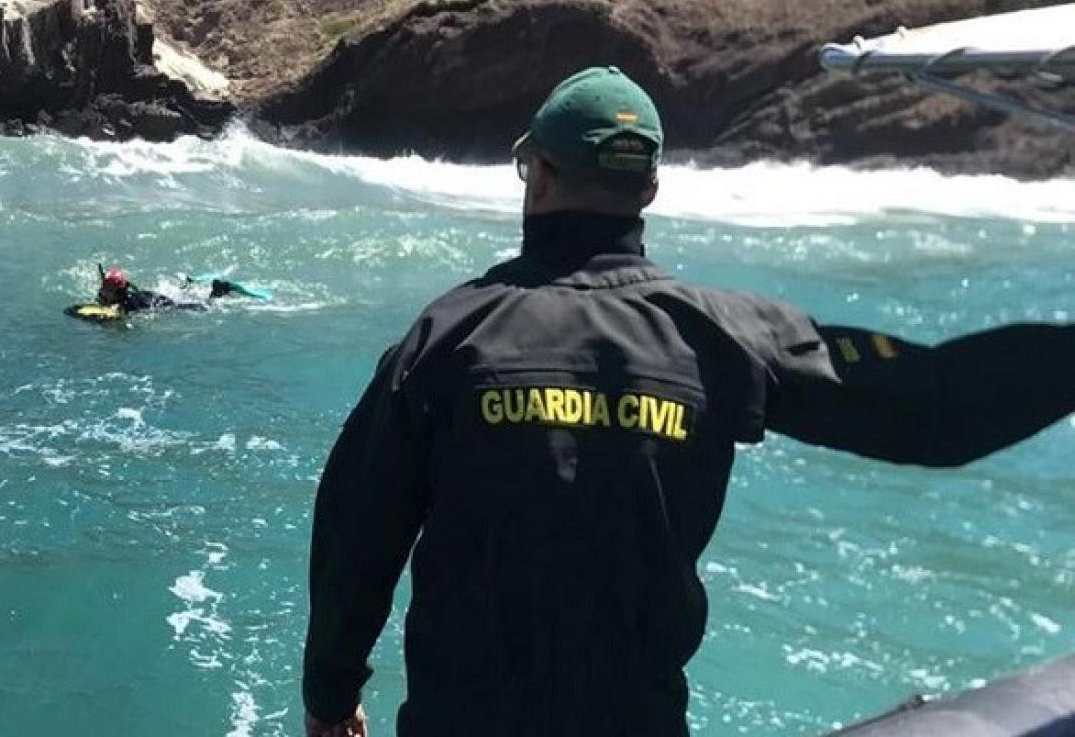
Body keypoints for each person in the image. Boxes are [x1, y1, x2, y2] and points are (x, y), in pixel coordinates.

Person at [301, 66, 1075, 737]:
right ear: (650, 187)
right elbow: (929, 407)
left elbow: (356, 534)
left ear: (536, 174)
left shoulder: (444, 336)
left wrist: (330, 695)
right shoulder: (726, 334)